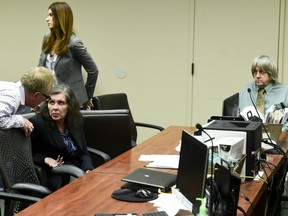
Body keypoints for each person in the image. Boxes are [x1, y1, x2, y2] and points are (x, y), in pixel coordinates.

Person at [29, 84, 94, 191]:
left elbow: (83, 151)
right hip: (56, 175)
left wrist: (88, 169)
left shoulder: (76, 120)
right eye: (51, 102)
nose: (55, 107)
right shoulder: (38, 123)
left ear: (70, 105)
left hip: (78, 170)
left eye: (61, 103)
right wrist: (45, 159)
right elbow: (25, 155)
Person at [38, 1, 98, 110]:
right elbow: (40, 69)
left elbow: (93, 71)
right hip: (50, 99)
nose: (46, 19)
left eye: (51, 15)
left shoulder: (74, 43)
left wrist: (87, 97)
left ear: (61, 17)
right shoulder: (47, 38)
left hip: (72, 101)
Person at [0, 66, 56, 136]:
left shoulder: (18, 92)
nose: (44, 101)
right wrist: (21, 121)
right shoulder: (13, 96)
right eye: (46, 98)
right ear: (36, 95)